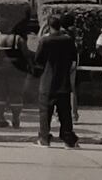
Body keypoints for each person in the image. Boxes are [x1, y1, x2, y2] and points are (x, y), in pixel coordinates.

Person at [33, 11, 82, 147]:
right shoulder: (68, 40)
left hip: (47, 81)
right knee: (64, 112)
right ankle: (68, 138)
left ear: (48, 26)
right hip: (63, 81)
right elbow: (73, 61)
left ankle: (44, 138)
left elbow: (38, 60)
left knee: (45, 112)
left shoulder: (45, 40)